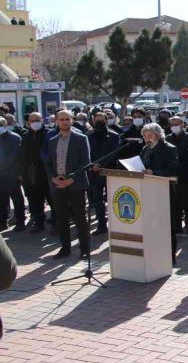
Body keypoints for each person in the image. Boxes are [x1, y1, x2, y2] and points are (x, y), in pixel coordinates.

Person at [45, 110, 91, 260]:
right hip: (57, 185)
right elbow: (48, 163)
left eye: (67, 119)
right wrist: (53, 178)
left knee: (80, 218)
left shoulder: (81, 138)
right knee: (61, 218)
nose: (64, 122)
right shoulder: (52, 141)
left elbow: (85, 162)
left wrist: (70, 180)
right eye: (61, 119)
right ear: (56, 122)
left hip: (75, 184)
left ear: (71, 120)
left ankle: (84, 248)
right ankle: (65, 248)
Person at [140, 123, 180, 263]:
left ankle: (170, 256)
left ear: (157, 134)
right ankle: (153, 254)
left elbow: (172, 169)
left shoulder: (169, 149)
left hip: (164, 191)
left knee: (167, 225)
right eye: (145, 136)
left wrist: (154, 172)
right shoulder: (145, 149)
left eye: (149, 136)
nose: (147, 139)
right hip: (146, 191)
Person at [86, 111, 120, 235]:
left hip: (109, 170)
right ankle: (101, 225)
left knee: (112, 200)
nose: (99, 122)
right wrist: (92, 165)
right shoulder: (88, 136)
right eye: (97, 119)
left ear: (106, 120)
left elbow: (114, 153)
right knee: (97, 200)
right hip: (93, 173)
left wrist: (101, 165)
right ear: (93, 121)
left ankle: (115, 225)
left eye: (102, 119)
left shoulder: (114, 136)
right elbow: (86, 154)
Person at [165, 116, 188, 235]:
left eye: (177, 124)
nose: (175, 126)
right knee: (174, 204)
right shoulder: (167, 139)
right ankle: (176, 227)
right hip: (172, 176)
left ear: (182, 124)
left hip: (187, 176)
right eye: (172, 124)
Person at [18, 112, 49, 232]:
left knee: (51, 200)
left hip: (46, 173)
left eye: (37, 120)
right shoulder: (25, 136)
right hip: (31, 175)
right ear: (28, 123)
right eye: (32, 121)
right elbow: (21, 156)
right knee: (35, 201)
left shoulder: (48, 134)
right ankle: (39, 223)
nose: (35, 123)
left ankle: (56, 223)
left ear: (42, 120)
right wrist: (21, 173)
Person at [0, 117, 24, 231]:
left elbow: (16, 157)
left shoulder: (14, 138)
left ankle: (20, 222)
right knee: (2, 201)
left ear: (5, 125)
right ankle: (2, 222)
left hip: (12, 174)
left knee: (17, 200)